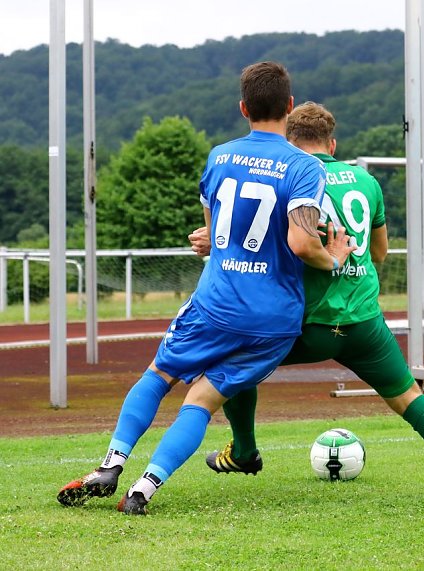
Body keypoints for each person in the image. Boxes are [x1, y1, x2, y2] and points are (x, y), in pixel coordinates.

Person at [56, 62, 355, 515]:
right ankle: (142, 491)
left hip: (216, 304)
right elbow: (300, 242)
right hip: (273, 319)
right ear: (289, 107)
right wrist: (335, 258)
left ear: (243, 108)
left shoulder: (220, 156)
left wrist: (215, 242)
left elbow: (214, 232)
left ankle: (110, 465)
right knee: (201, 400)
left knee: (159, 375)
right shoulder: (304, 166)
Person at [191, 102, 424, 496]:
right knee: (409, 397)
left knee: (231, 360)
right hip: (363, 321)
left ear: (289, 141)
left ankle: (244, 452)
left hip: (305, 324)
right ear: (333, 144)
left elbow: (276, 245)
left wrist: (216, 242)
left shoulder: (290, 176)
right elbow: (380, 253)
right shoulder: (365, 181)